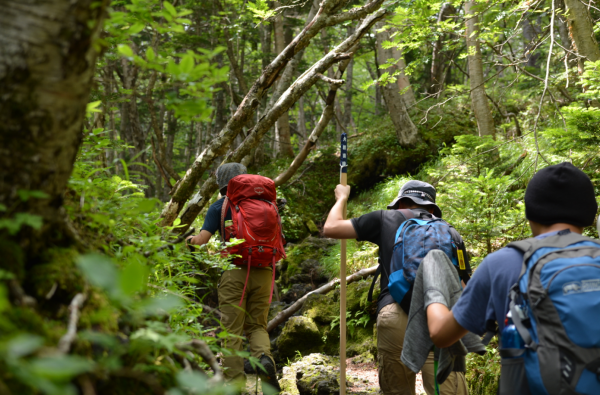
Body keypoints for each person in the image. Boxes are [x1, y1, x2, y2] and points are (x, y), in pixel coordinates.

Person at [425, 162, 598, 389]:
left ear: (531, 214)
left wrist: (433, 288)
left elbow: (441, 335)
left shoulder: (500, 264)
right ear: (588, 214)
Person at [323, 180, 469, 395]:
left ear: (401, 202)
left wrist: (342, 198)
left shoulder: (385, 218)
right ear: (431, 207)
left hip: (394, 315)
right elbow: (464, 288)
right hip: (440, 320)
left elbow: (331, 228)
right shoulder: (450, 232)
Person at [187, 163, 281, 394]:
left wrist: (188, 240)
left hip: (234, 272)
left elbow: (202, 241)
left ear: (220, 181)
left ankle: (236, 386)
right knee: (257, 325)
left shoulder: (219, 207)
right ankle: (263, 358)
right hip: (264, 271)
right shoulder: (267, 204)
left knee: (231, 332)